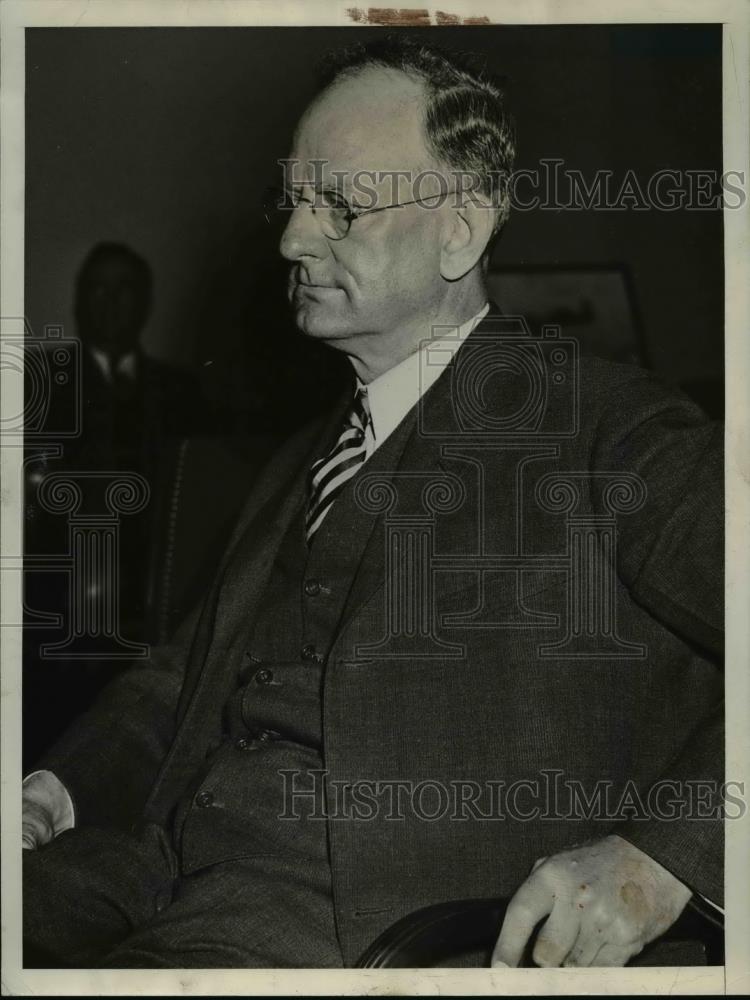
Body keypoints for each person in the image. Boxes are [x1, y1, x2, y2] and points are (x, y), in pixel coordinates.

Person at [22, 37, 723, 969]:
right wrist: (52, 790)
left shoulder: (613, 428)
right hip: (145, 865)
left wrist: (663, 859)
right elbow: (174, 683)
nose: (291, 239)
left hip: (360, 923)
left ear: (461, 230)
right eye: (294, 200)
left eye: (340, 208)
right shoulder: (293, 464)